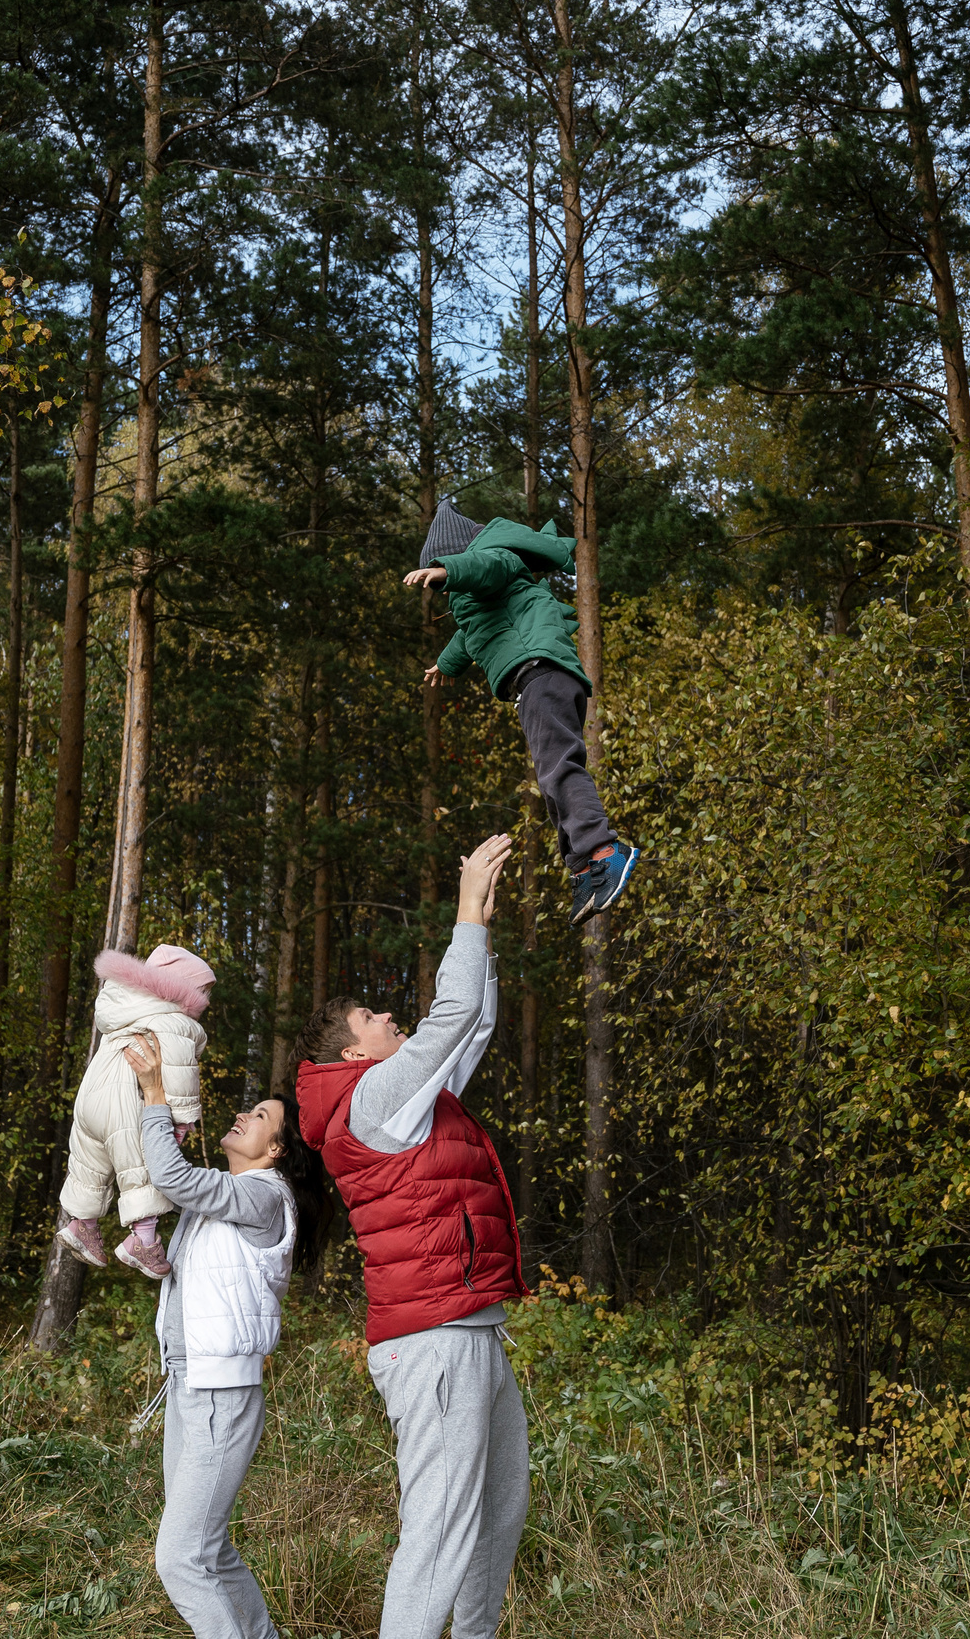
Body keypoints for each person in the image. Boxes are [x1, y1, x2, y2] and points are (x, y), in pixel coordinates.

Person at [295, 833, 527, 1639]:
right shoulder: (371, 1100)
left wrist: (482, 933)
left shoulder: (410, 1099)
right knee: (438, 1533)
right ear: (357, 1052)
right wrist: (464, 908)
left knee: (495, 1517)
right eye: (374, 1016)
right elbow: (451, 1013)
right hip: (432, 1342)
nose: (392, 1014)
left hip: (468, 1330)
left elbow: (473, 1023)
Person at [123, 1029, 334, 1639]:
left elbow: (173, 1174)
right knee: (208, 1552)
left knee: (181, 1558)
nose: (244, 1114)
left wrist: (155, 1090)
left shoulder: (264, 1196)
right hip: (189, 1385)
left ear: (276, 1150)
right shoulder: (222, 1203)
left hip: (221, 1395)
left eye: (261, 1115)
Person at [405, 499, 639, 925]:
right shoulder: (480, 605)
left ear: (460, 558)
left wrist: (449, 570)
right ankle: (586, 869)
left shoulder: (497, 561)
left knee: (559, 769)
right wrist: (446, 663)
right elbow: (468, 635)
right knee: (551, 781)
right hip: (542, 679)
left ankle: (605, 851)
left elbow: (487, 567)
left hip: (541, 673)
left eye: (449, 575)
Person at [56, 944, 215, 1278]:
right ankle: (143, 1240)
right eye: (204, 990)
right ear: (180, 986)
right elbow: (179, 1073)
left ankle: (81, 1223)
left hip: (91, 1099)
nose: (206, 999)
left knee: (90, 1164)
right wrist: (182, 1122)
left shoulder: (123, 1009)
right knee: (143, 1165)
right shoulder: (174, 1021)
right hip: (126, 1103)